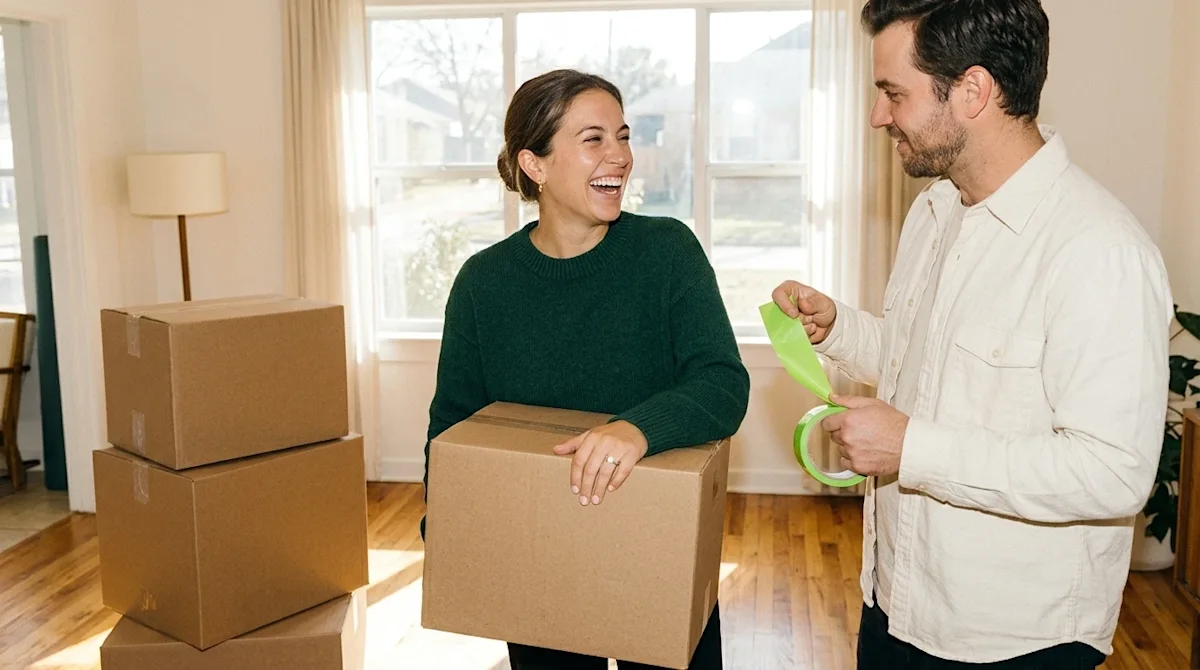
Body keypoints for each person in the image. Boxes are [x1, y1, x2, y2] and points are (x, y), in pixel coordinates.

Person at [771, 1, 1173, 668]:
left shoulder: (1099, 251)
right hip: (893, 597)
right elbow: (914, 361)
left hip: (1012, 640)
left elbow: (1112, 472)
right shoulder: (933, 213)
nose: (878, 117)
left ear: (974, 91)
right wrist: (839, 327)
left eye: (893, 93)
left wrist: (911, 447)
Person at [421, 68, 751, 670]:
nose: (620, 157)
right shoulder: (484, 283)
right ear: (536, 165)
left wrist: (636, 428)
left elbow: (723, 383)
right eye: (594, 139)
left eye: (623, 137)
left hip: (657, 547)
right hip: (537, 553)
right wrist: (448, 528)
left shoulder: (667, 252)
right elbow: (452, 424)